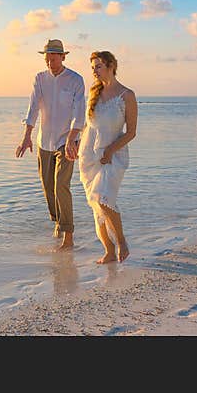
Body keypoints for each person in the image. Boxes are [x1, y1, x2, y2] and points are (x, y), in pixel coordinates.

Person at [16, 39, 86, 251]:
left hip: (67, 142)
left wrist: (73, 137)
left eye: (54, 57)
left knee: (61, 185)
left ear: (63, 57)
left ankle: (68, 235)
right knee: (48, 188)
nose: (50, 61)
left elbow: (79, 111)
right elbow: (33, 108)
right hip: (43, 141)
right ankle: (58, 221)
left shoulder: (75, 80)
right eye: (47, 57)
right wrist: (26, 136)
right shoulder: (40, 79)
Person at [78, 50, 137, 263]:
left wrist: (110, 150)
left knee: (103, 199)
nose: (94, 71)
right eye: (92, 67)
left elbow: (131, 132)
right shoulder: (94, 93)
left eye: (98, 66)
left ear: (111, 65)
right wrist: (74, 143)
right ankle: (108, 251)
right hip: (89, 155)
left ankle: (121, 241)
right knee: (95, 204)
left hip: (114, 154)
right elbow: (88, 125)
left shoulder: (126, 95)